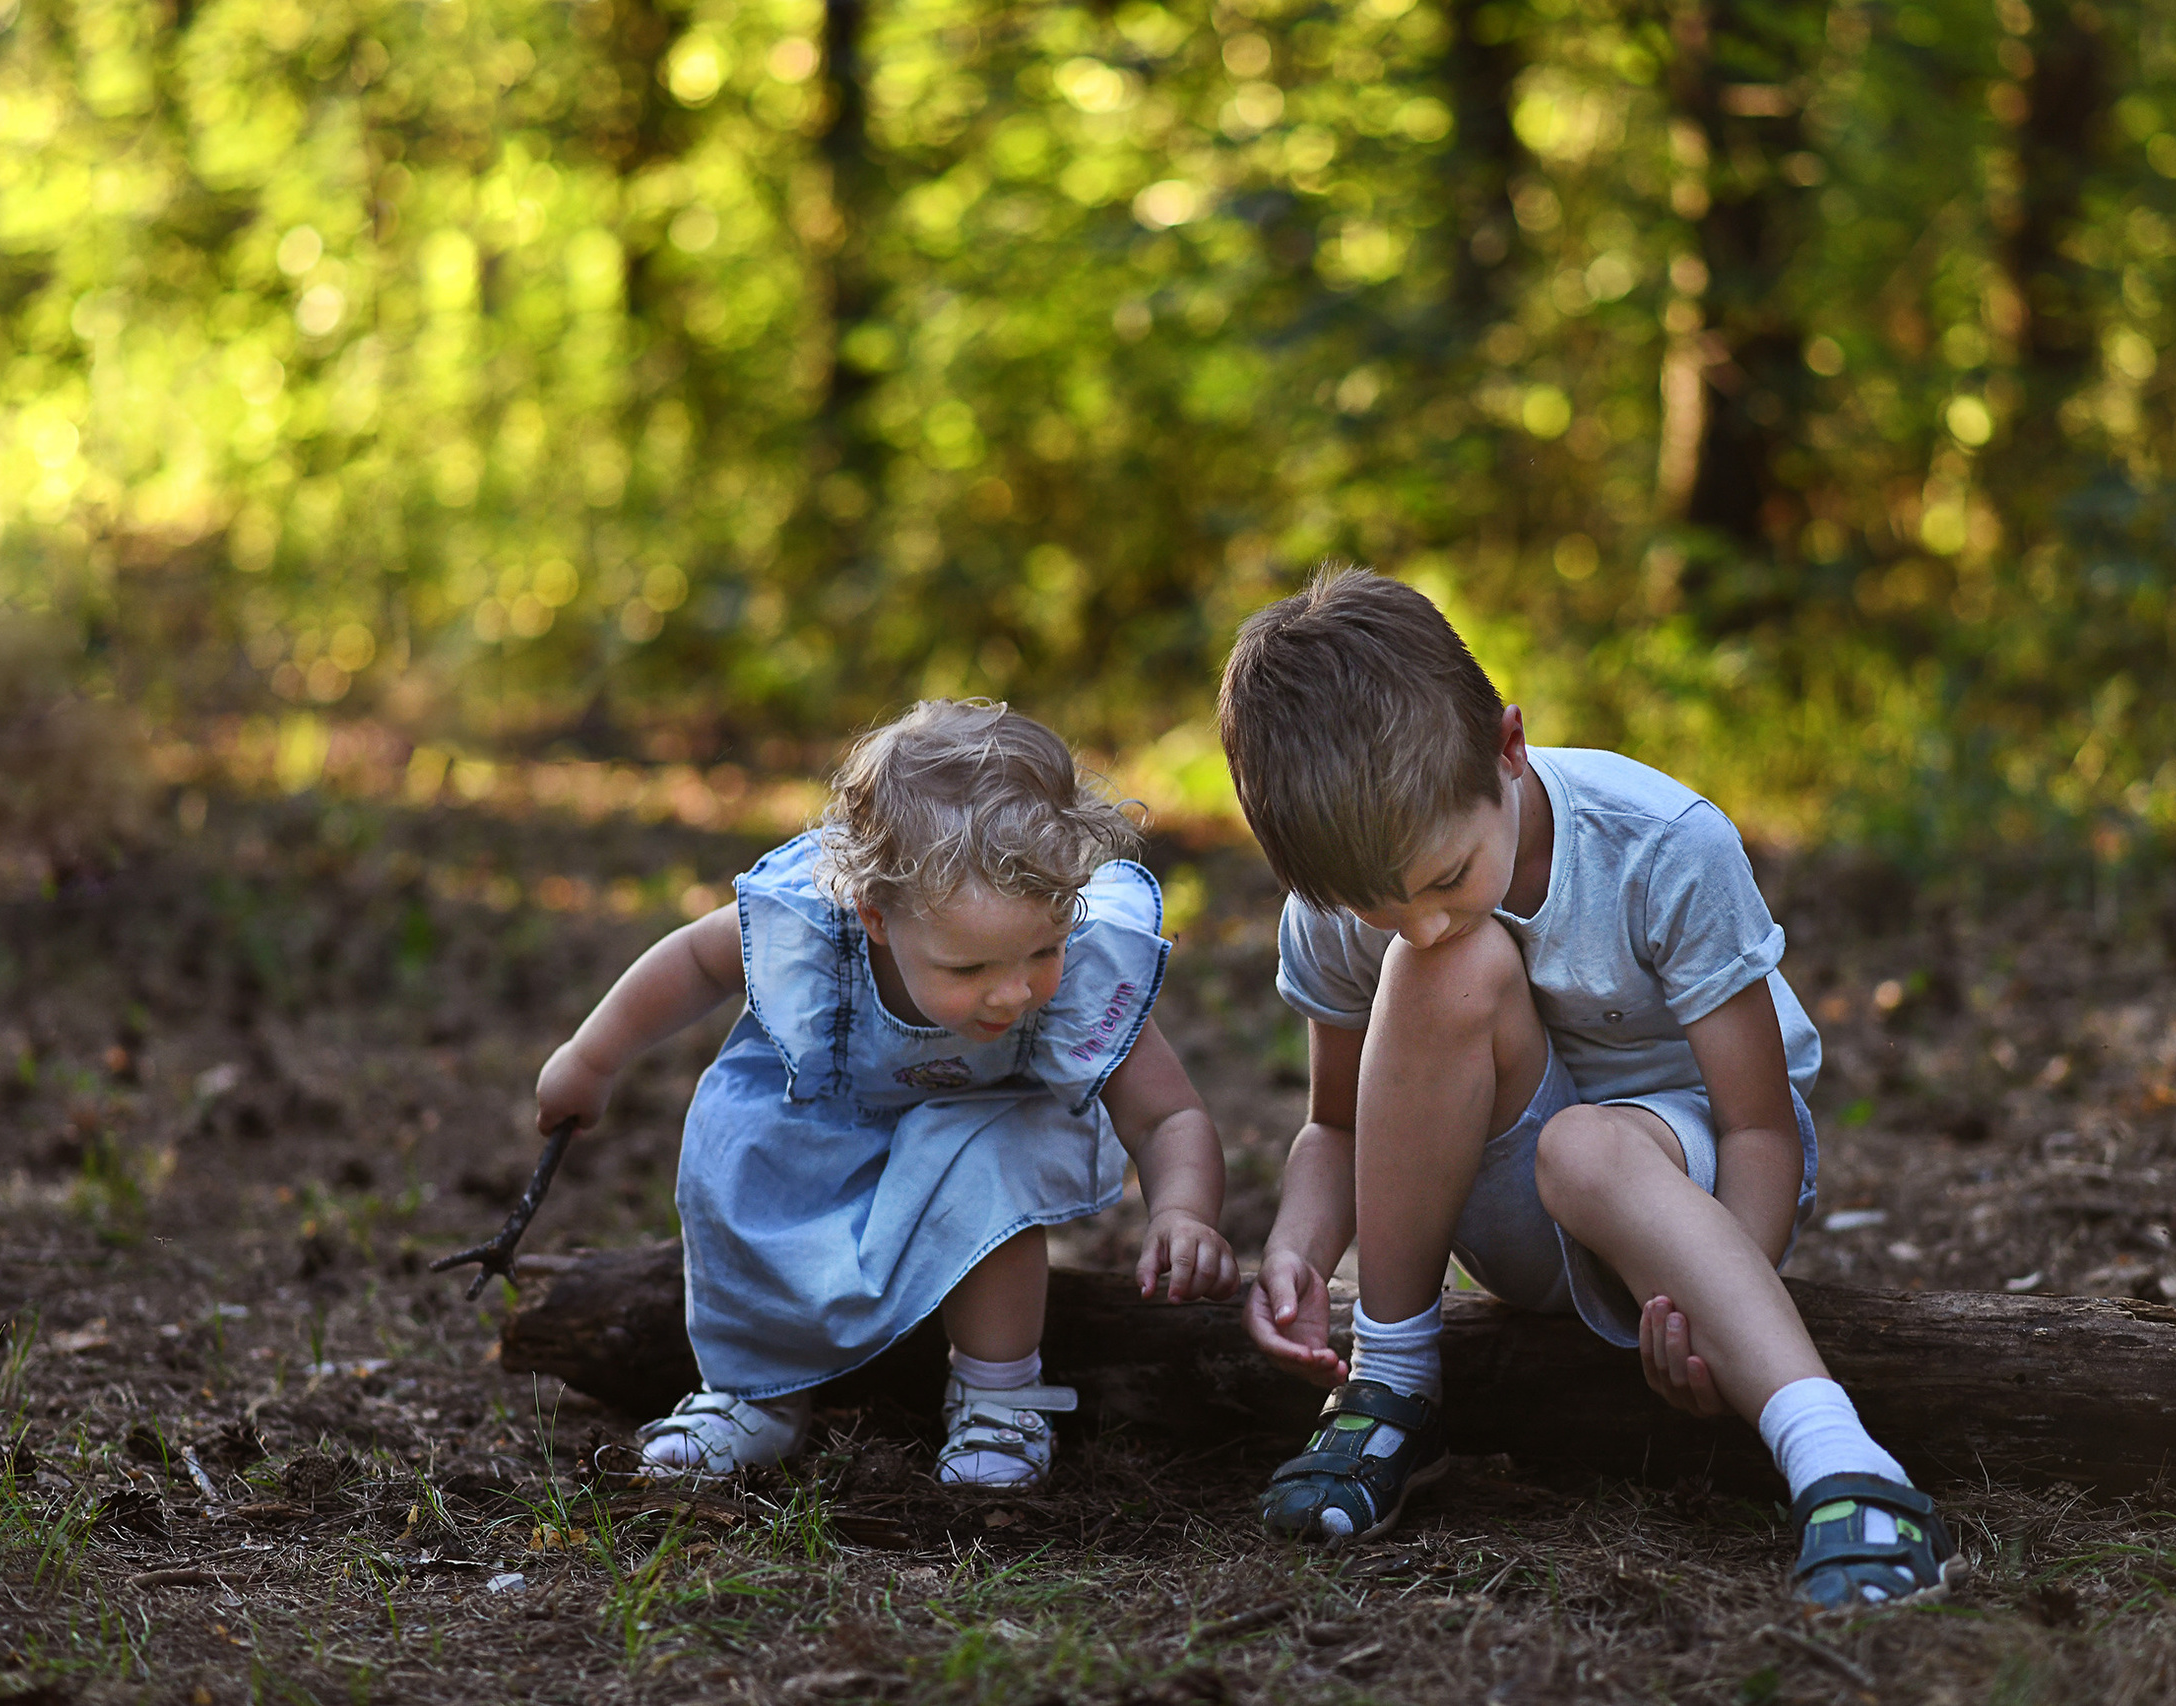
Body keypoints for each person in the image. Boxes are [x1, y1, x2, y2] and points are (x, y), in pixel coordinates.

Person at [1218, 568, 1954, 1611]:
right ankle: (1390, 1385)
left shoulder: (1658, 842)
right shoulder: (1358, 909)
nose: (1416, 921)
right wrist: (1297, 1245)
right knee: (1448, 972)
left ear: (1506, 747)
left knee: (1587, 1146)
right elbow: (1336, 1124)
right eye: (1375, 909)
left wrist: (1725, 1295)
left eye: (1442, 879)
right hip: (1508, 1198)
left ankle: (1841, 1460)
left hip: (1689, 1178)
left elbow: (1756, 1123)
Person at [532, 699, 1238, 1486]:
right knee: (739, 1157)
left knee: (1001, 1157)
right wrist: (590, 1059)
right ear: (875, 915)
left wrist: (1182, 1210)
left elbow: (1167, 1112)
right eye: (967, 970)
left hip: (969, 1134)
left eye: (1042, 950)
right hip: (820, 1120)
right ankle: (750, 1392)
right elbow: (696, 963)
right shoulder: (813, 925)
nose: (1012, 995)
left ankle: (1000, 1400)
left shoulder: (1078, 968)